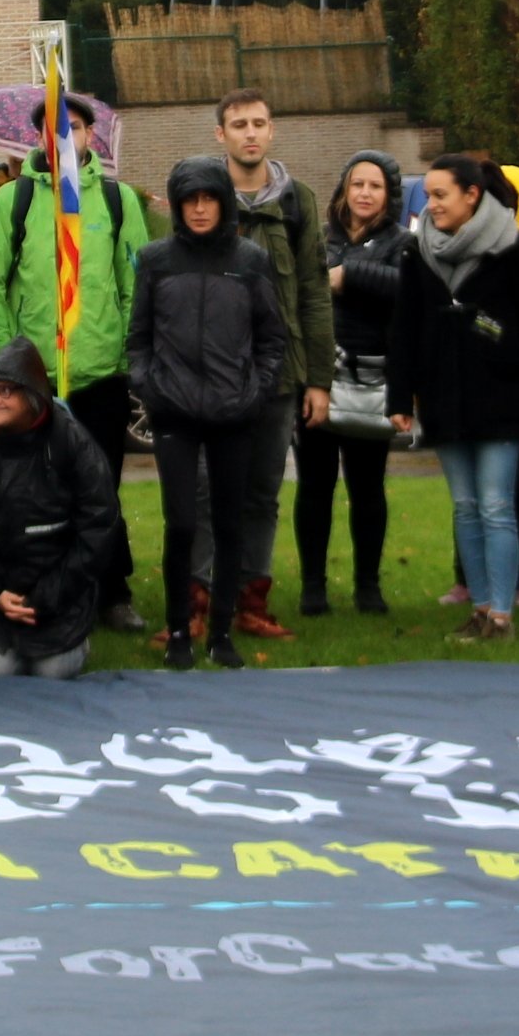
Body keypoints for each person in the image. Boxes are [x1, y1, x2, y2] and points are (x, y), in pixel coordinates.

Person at [0, 90, 153, 630]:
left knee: (102, 490)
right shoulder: (12, 202)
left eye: (75, 127)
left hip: (99, 377)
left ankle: (110, 591)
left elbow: (134, 285)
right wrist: (13, 362)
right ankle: (39, 588)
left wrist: (120, 355)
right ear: (39, 138)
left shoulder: (118, 202)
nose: (66, 137)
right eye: (55, 127)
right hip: (34, 383)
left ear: (91, 135)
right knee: (35, 493)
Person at [390, 152, 519, 645]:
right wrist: (400, 398)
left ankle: (503, 618)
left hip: (500, 394)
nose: (431, 204)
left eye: (440, 194)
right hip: (443, 396)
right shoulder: (417, 248)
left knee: (495, 504)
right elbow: (404, 326)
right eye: (428, 195)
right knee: (465, 506)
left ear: (472, 195)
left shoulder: (511, 247)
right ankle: (481, 608)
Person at [128, 154, 294, 667]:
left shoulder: (249, 260)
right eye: (190, 200)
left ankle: (221, 631)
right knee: (180, 523)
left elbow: (272, 337)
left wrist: (255, 390)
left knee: (229, 524)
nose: (200, 209)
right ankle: (179, 628)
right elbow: (138, 339)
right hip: (174, 413)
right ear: (177, 206)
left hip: (233, 413)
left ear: (223, 202)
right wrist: (150, 386)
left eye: (209, 199)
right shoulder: (156, 260)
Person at [205, 90, 334, 636]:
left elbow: (313, 293)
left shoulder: (298, 201)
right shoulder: (202, 197)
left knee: (262, 495)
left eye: (259, 123)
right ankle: (204, 600)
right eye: (239, 125)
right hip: (212, 379)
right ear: (221, 135)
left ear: (272, 130)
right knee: (209, 492)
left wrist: (319, 380)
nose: (250, 133)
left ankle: (252, 601)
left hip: (279, 379)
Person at [0, 340, 121, 679]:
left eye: (6, 391)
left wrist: (48, 596)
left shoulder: (72, 441)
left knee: (55, 672)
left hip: (59, 599)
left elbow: (99, 526)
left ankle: (77, 642)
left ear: (32, 396)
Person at [303, 152, 404, 616]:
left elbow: (407, 287)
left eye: (375, 186)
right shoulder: (318, 240)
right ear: (343, 189)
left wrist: (349, 275)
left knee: (367, 489)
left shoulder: (403, 243)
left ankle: (369, 585)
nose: (364, 193)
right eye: (357, 184)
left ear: (389, 194)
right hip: (320, 380)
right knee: (315, 487)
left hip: (372, 382)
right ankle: (313, 587)